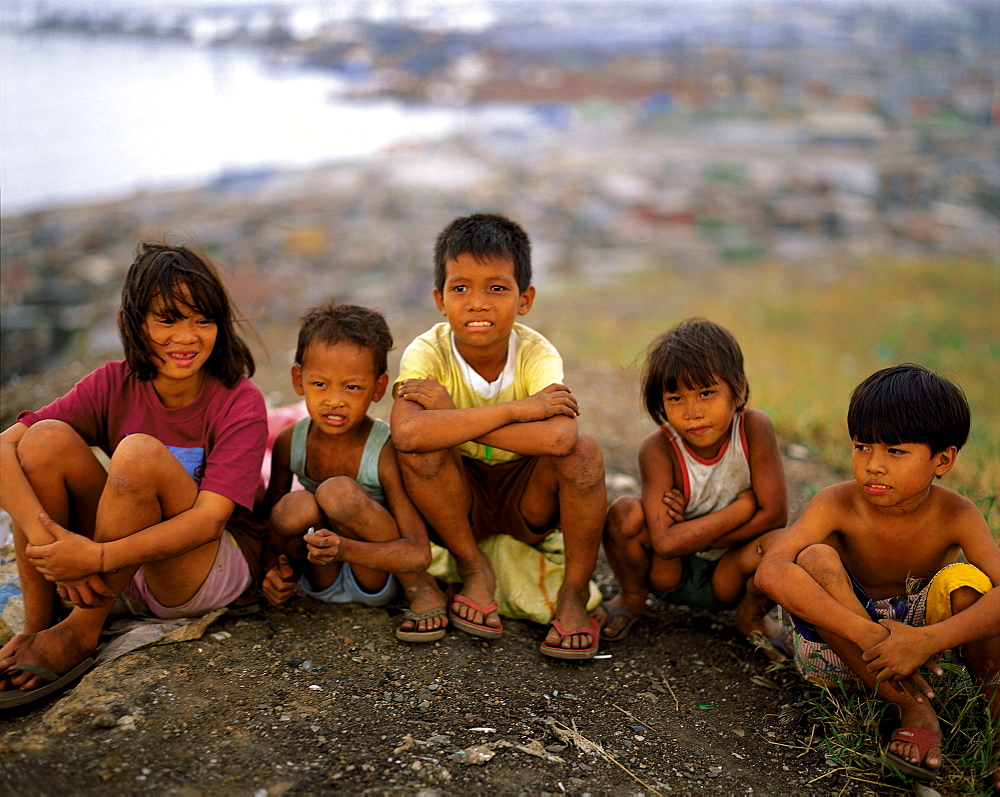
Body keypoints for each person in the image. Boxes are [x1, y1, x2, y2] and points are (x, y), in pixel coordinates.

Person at [0, 241, 268, 707]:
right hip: (123, 563)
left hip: (201, 568)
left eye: (202, 320)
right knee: (44, 438)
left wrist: (96, 558)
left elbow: (209, 520)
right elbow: (4, 447)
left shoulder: (238, 400)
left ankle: (81, 633)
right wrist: (50, 542)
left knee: (139, 455)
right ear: (132, 323)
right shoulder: (112, 383)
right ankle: (40, 628)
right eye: (168, 319)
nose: (187, 337)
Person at [756, 364, 999, 787]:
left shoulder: (958, 514)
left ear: (943, 459)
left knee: (966, 580)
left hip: (924, 653)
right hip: (843, 647)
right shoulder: (835, 502)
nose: (873, 465)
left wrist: (926, 640)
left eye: (895, 452)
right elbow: (771, 571)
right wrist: (872, 637)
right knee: (814, 558)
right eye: (862, 446)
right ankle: (911, 708)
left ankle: (997, 725)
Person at [390, 213, 606, 660]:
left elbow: (561, 440)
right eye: (461, 288)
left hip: (524, 497)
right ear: (440, 298)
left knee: (585, 454)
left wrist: (453, 417)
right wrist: (517, 411)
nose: (477, 303)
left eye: (497, 287)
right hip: (456, 495)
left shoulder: (536, 354)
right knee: (421, 452)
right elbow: (409, 432)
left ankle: (573, 594)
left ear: (524, 299)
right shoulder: (426, 352)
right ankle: (473, 566)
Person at [600, 318, 788, 660]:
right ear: (660, 403)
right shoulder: (658, 449)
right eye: (676, 398)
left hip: (729, 573)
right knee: (625, 512)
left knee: (781, 544)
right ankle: (631, 597)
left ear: (740, 390)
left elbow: (775, 515)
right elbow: (666, 544)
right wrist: (742, 509)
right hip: (669, 573)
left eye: (706, 393)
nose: (693, 412)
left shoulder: (754, 430)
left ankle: (750, 616)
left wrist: (693, 533)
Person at [262, 302, 448, 642]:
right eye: (320, 384)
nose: (334, 400)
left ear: (378, 388)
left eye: (352, 387)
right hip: (316, 577)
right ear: (298, 379)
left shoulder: (385, 448)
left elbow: (418, 552)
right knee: (296, 505)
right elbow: (270, 525)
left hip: (373, 574)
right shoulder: (290, 442)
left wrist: (344, 549)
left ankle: (421, 589)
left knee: (338, 492)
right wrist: (270, 569)